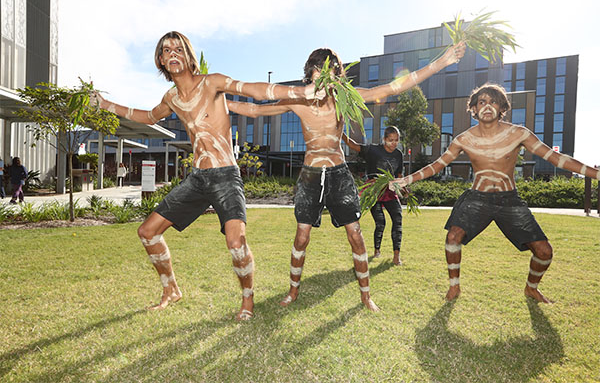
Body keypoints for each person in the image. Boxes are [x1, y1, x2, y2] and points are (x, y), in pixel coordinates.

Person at [92, 31, 321, 320]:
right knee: (147, 232)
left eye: (178, 48)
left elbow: (256, 90)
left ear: (188, 56)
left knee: (236, 242)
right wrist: (104, 104)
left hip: (225, 175)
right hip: (198, 178)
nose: (172, 53)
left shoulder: (211, 83)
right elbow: (148, 116)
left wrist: (305, 92)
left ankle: (247, 300)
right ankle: (171, 289)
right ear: (161, 61)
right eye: (166, 50)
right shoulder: (172, 97)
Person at [228, 42, 465, 311]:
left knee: (355, 234)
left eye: (329, 69)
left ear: (338, 74)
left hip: (339, 174)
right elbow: (257, 109)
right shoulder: (297, 100)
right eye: (317, 69)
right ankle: (293, 291)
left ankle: (366, 296)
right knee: (302, 236)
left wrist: (442, 62)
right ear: (311, 72)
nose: (323, 74)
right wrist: (218, 100)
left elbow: (390, 88)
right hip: (310, 175)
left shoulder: (344, 98)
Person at [389, 83, 600, 304]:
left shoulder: (518, 133)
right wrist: (406, 179)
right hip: (477, 198)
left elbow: (556, 158)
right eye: (482, 102)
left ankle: (531, 288)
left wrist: (594, 173)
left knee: (544, 252)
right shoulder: (464, 139)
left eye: (493, 102)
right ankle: (454, 287)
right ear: (474, 109)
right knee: (453, 237)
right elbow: (437, 165)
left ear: (501, 108)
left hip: (509, 200)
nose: (487, 106)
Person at [342, 126, 404, 265]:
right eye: (390, 140)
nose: (393, 143)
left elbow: (399, 175)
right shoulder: (373, 150)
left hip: (389, 190)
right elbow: (354, 145)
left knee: (398, 218)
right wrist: (341, 133)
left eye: (396, 140)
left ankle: (396, 255)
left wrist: (402, 187)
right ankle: (377, 250)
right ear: (384, 139)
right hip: (373, 191)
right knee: (380, 222)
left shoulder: (398, 154)